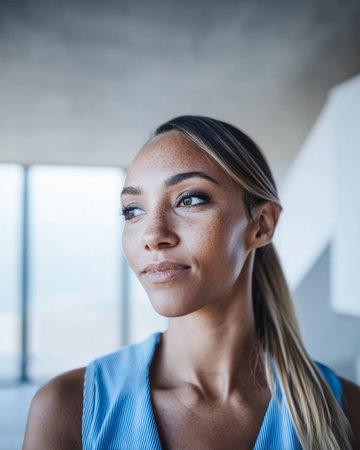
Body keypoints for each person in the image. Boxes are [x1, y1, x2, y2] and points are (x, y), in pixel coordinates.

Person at [23, 116, 360, 449]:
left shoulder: (349, 413)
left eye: (190, 199)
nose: (153, 235)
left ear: (261, 225)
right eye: (132, 211)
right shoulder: (65, 408)